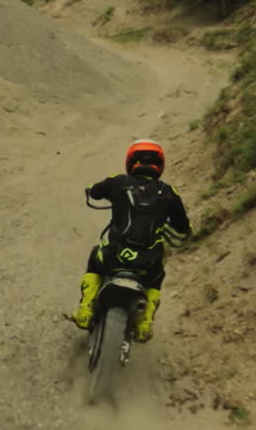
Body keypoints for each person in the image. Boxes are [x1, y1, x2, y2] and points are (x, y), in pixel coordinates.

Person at [71, 139, 191, 341]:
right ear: (160, 165)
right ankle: (144, 323)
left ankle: (86, 309)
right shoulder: (169, 193)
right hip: (147, 264)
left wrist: (91, 189)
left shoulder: (118, 182)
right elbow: (183, 227)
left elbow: (95, 191)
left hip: (114, 256)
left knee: (95, 259)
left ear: (130, 161)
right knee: (156, 280)